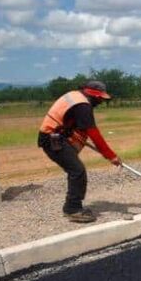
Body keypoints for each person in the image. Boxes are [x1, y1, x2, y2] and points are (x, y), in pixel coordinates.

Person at [38, 81, 121, 223]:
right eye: (100, 98)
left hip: (58, 137)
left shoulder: (76, 97)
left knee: (76, 170)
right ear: (93, 94)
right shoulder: (83, 106)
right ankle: (72, 209)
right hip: (53, 139)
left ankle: (73, 207)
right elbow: (94, 133)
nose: (101, 101)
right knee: (77, 170)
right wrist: (110, 156)